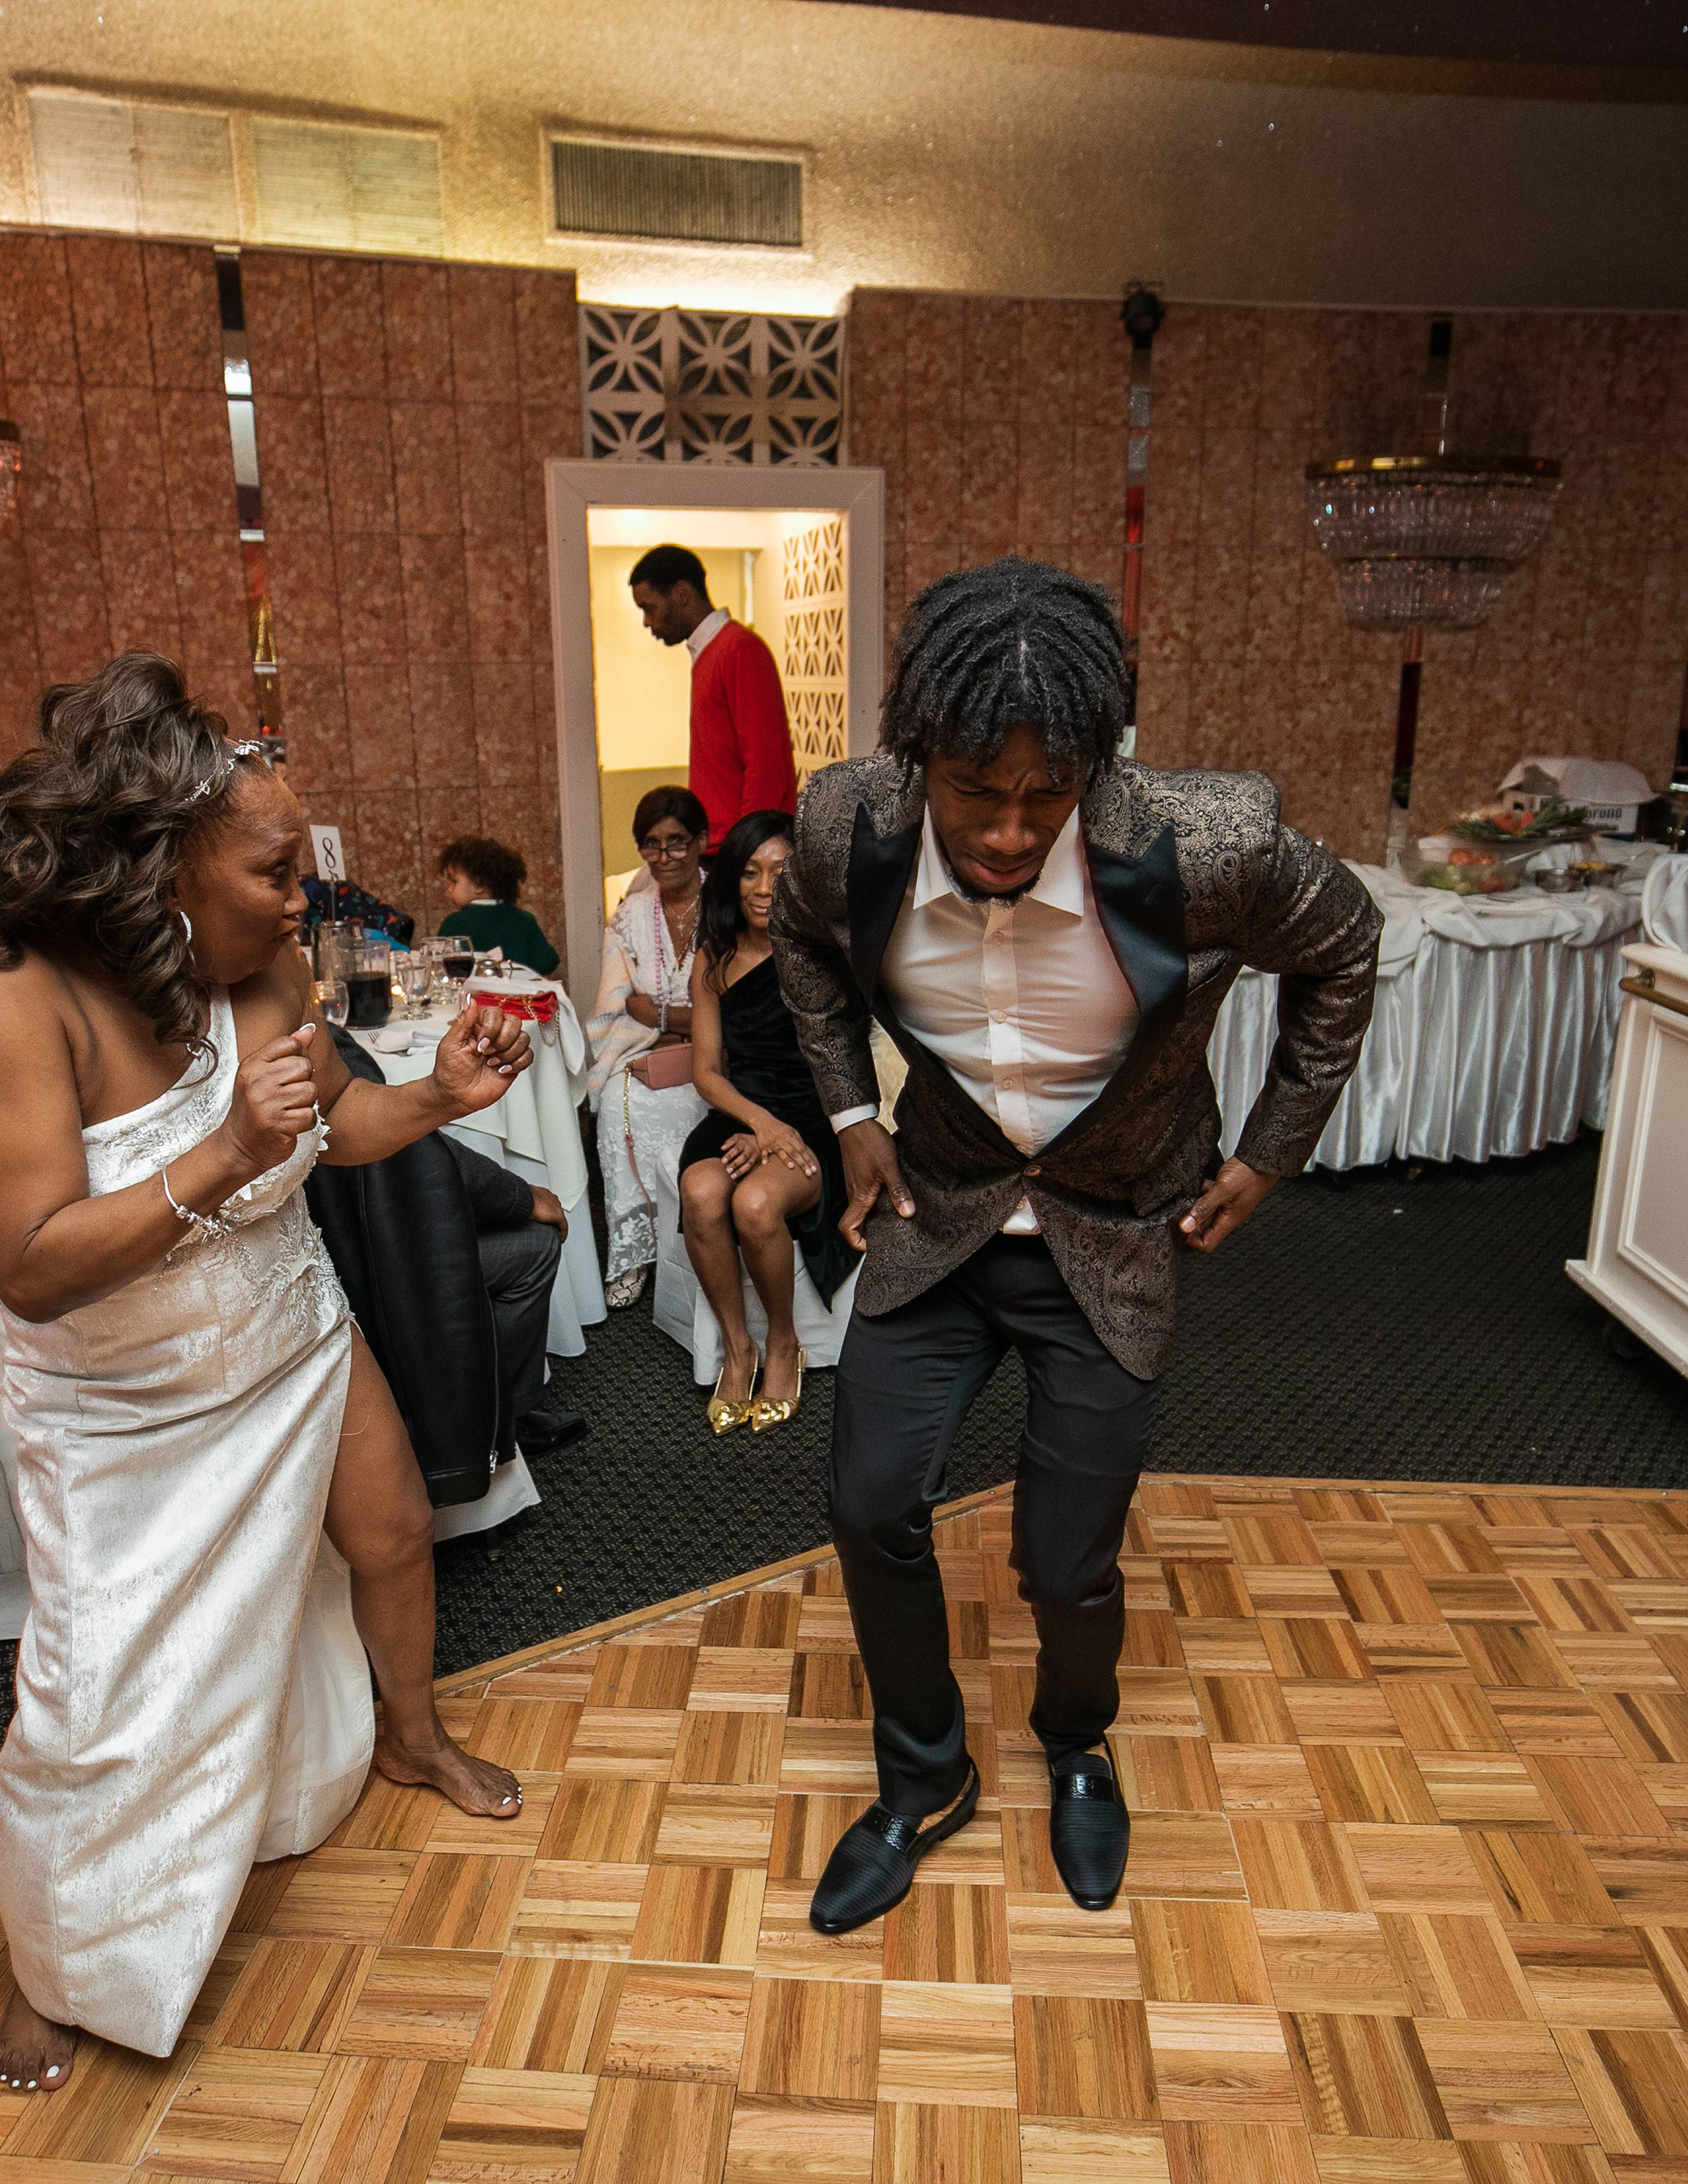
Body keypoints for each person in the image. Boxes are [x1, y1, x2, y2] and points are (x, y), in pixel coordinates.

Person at [0, 653, 534, 2094]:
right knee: (98, 1686)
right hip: (118, 1402)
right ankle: (54, 1958)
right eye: (276, 873)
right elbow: (30, 1261)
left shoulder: (265, 963)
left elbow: (336, 1127)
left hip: (288, 1325)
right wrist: (221, 1153)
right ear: (160, 866)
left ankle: (409, 1737)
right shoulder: (2, 989)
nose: (304, 901)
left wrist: (439, 1096)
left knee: (394, 1531)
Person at [770, 559, 1381, 1931]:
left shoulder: (1211, 841)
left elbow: (1346, 946)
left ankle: (1078, 1742)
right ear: (917, 755)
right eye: (974, 792)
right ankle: (923, 1776)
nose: (1008, 830)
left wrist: (1270, 1151)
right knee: (869, 1503)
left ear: (1097, 767)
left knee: (1067, 1559)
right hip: (939, 1215)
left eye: (1047, 796)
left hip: (1116, 1226)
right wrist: (852, 1111)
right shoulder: (845, 821)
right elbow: (800, 942)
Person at [308, 1019, 584, 1516]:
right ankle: (504, 1421)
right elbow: (418, 1152)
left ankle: (500, 1416)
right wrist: (521, 1197)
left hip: (332, 1265)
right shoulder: (321, 1049)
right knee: (534, 1248)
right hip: (366, 1276)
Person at [680, 808, 858, 1433]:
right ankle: (739, 1348)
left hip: (815, 1114)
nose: (763, 888)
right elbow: (706, 1072)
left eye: (780, 873)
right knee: (700, 1190)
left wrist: (782, 1133)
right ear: (731, 878)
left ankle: (784, 1343)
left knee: (755, 1204)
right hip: (743, 1109)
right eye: (750, 872)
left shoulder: (826, 953)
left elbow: (847, 1060)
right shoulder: (714, 958)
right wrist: (760, 1126)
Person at [583, 786, 710, 1299]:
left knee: (699, 1105)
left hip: (720, 1059)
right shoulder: (629, 916)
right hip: (641, 1057)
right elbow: (613, 1008)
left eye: (677, 841)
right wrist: (681, 1023)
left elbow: (740, 1007)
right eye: (650, 844)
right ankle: (633, 1254)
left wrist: (660, 1015)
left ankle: (697, 1251)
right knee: (618, 1108)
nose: (664, 856)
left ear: (701, 841)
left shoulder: (728, 907)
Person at [632, 543, 795, 843]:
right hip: (715, 841)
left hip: (739, 845)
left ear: (681, 594)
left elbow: (766, 764)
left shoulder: (739, 649)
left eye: (649, 608)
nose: (646, 621)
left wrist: (747, 848)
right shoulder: (711, 651)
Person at [435, 835, 558, 974]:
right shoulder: (524, 920)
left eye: (454, 882)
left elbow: (440, 968)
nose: (449, 889)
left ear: (479, 885)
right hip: (517, 988)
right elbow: (547, 963)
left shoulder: (454, 923)